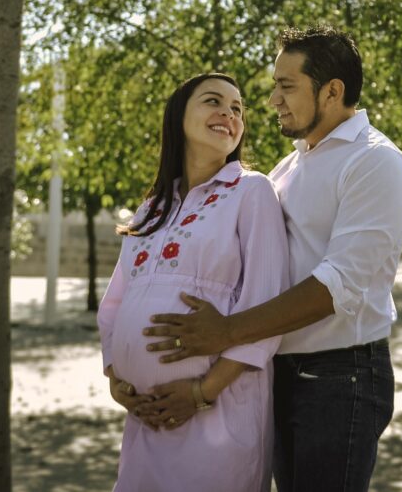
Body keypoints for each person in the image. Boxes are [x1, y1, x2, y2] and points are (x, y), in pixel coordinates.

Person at [143, 27, 402, 492]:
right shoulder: (286, 169)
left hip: (341, 379)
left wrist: (226, 332)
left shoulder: (375, 162)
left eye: (286, 86)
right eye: (274, 85)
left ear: (332, 91)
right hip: (279, 376)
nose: (272, 99)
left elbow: (338, 286)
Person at [97, 72, 290, 492]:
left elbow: (266, 307)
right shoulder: (150, 209)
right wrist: (117, 380)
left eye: (238, 108)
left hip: (217, 413)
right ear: (178, 116)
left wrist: (202, 391)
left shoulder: (251, 192)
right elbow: (115, 304)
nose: (229, 113)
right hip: (145, 419)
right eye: (213, 101)